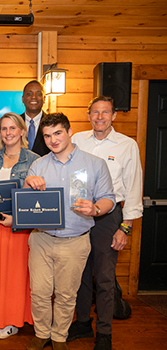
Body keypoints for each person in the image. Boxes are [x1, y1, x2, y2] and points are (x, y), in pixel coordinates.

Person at [24, 113, 116, 350]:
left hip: (75, 241)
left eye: (57, 133)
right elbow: (25, 202)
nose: (53, 140)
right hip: (41, 239)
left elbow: (109, 199)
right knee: (40, 293)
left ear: (70, 131)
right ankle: (42, 333)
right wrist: (28, 184)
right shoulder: (38, 165)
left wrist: (95, 208)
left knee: (66, 295)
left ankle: (59, 337)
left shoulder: (95, 164)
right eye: (47, 136)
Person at [69, 96, 143, 350]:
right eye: (95, 113)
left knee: (104, 277)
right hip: (78, 214)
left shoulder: (127, 145)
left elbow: (133, 188)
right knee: (79, 274)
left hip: (109, 218)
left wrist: (126, 227)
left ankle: (104, 333)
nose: (100, 117)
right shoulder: (77, 140)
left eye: (105, 112)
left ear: (114, 116)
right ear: (88, 115)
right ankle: (81, 324)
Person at [0, 112, 40, 339]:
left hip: (17, 227)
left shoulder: (34, 160)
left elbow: (36, 198)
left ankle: (11, 320)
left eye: (13, 128)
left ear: (22, 131)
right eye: (4, 129)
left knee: (14, 275)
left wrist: (14, 217)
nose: (8, 133)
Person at [21, 80, 50, 156]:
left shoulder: (52, 123)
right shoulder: (15, 122)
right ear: (23, 99)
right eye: (29, 94)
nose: (34, 97)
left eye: (38, 94)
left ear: (44, 98)